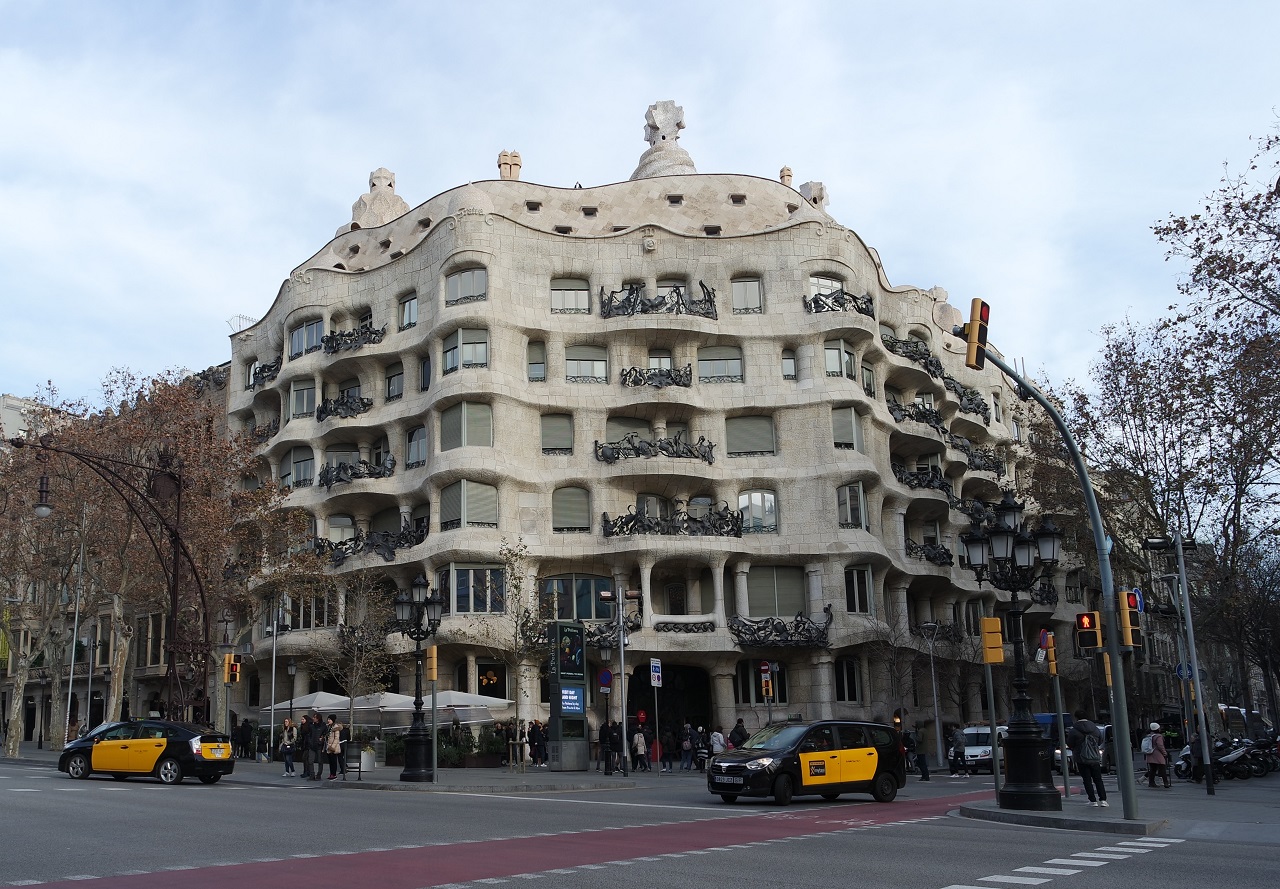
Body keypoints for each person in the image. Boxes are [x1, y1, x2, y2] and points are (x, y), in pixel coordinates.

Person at [1067, 709, 1108, 807]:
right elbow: (1100, 741)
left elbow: (1070, 743)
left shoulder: (1074, 730)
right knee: (1098, 779)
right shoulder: (1095, 728)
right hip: (1094, 757)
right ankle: (1103, 800)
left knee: (1087, 779)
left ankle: (1092, 800)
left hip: (1081, 757)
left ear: (1076, 718)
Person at [1144, 722, 1170, 789]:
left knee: (1153, 769)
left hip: (1150, 754)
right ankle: (1165, 782)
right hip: (1157, 754)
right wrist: (1164, 753)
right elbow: (1160, 746)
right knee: (1162, 768)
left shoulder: (1149, 736)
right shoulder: (1158, 736)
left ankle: (1151, 782)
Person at [324, 715, 343, 780]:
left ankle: (334, 774)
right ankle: (331, 773)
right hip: (328, 746)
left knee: (333, 761)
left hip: (333, 747)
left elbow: (336, 738)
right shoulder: (329, 727)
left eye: (330, 719)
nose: (328, 720)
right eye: (328, 719)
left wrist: (332, 747)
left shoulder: (335, 728)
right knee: (330, 762)